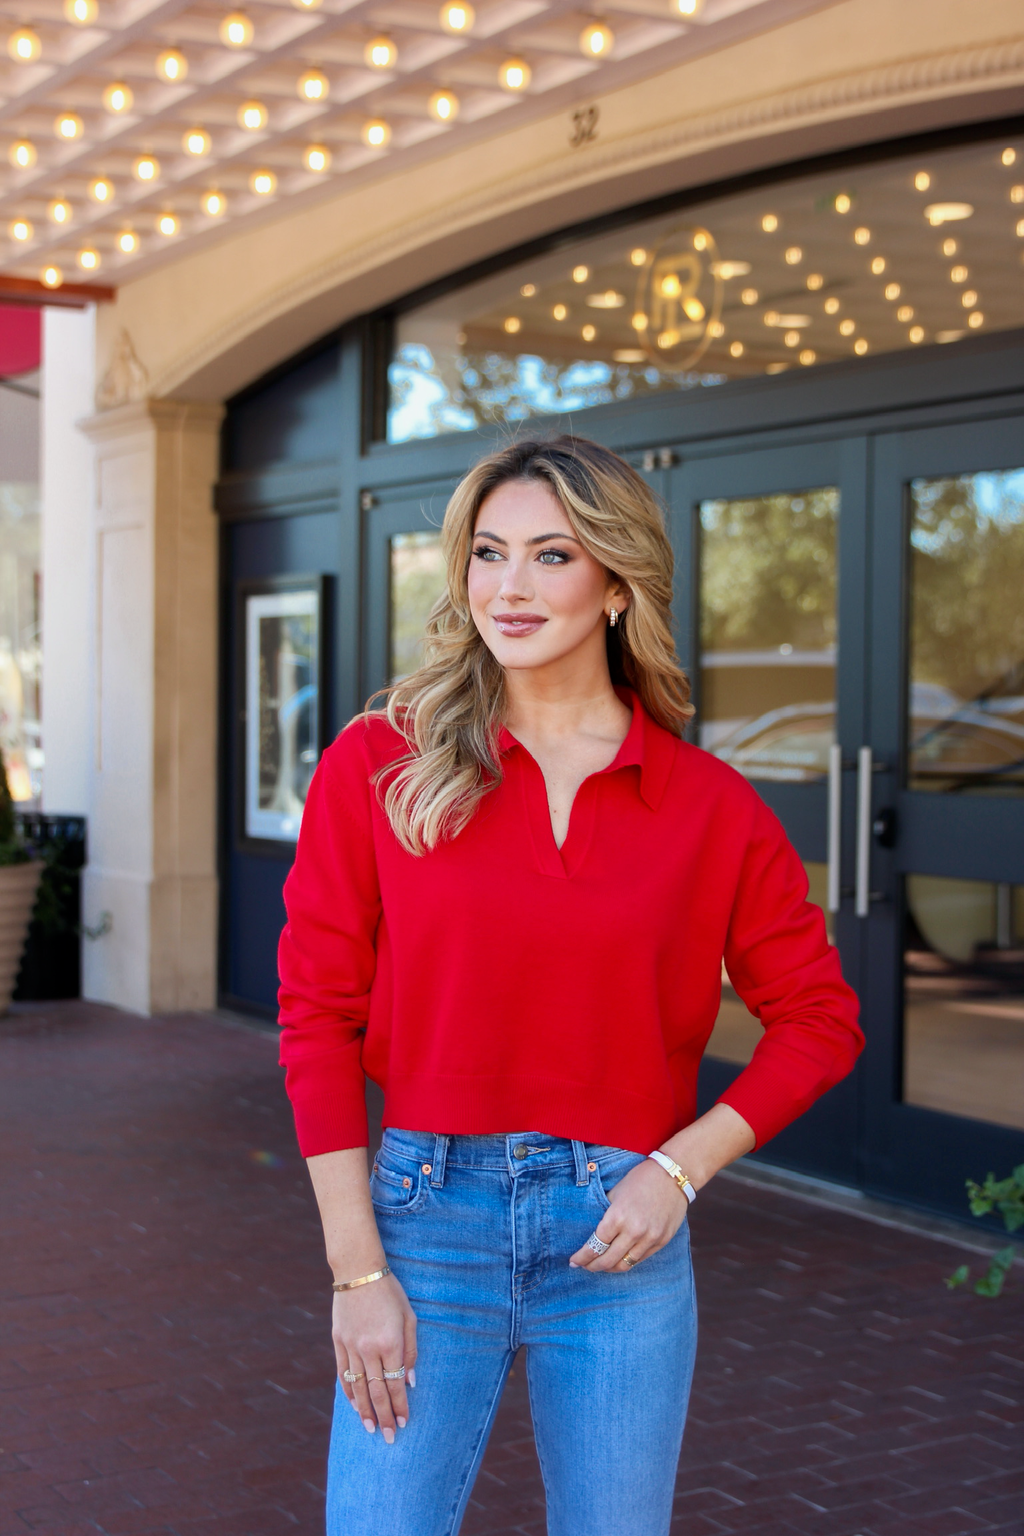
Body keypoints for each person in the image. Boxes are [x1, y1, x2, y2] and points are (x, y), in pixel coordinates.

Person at [277, 435, 863, 1536]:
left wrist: (679, 1173)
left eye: (551, 556)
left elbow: (819, 1019)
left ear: (614, 584)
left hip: (619, 1236)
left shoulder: (707, 806)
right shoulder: (379, 765)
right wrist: (357, 1276)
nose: (509, 585)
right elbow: (314, 1014)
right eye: (488, 552)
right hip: (420, 1222)